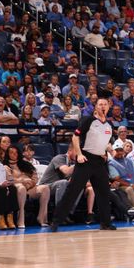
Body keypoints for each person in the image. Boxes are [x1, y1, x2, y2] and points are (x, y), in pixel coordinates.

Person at [50, 98, 115, 231]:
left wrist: (109, 150)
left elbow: (105, 142)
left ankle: (105, 223)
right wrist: (79, 154)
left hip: (99, 162)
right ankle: (56, 221)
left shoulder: (109, 125)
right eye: (100, 104)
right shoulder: (88, 120)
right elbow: (75, 137)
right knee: (72, 191)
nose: (103, 106)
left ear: (109, 107)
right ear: (95, 107)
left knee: (104, 192)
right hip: (85, 159)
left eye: (105, 104)